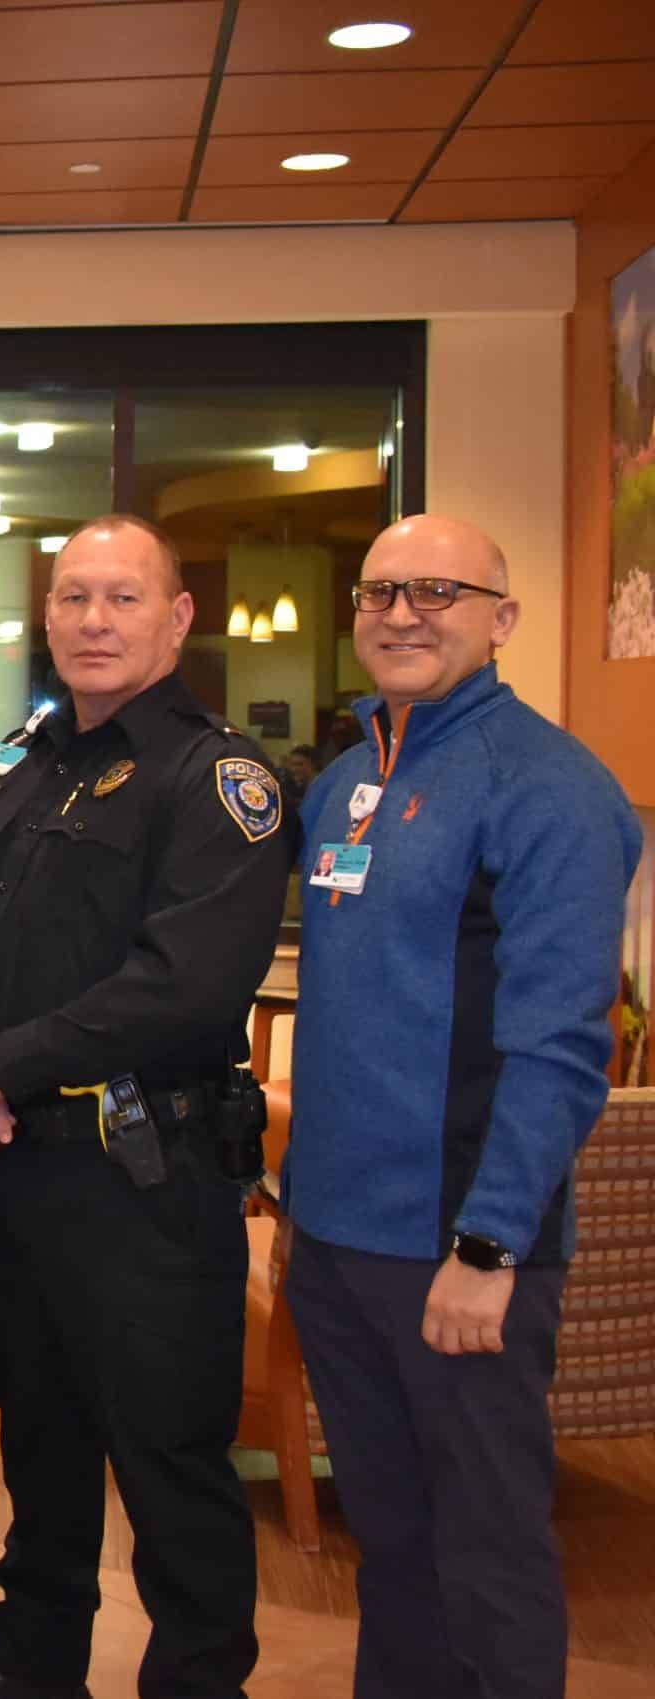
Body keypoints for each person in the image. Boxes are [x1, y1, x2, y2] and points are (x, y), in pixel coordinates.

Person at [0, 514, 291, 1699]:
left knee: (171, 1459)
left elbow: (180, 991)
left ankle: (195, 1680)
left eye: (122, 599)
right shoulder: (19, 764)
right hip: (23, 1164)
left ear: (176, 619)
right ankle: (30, 1667)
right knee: (40, 1439)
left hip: (150, 1174)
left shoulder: (216, 778)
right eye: (73, 598)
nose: (92, 621)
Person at [281, 515, 641, 1699]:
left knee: (483, 1551)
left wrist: (489, 1243)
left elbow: (558, 1048)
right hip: (334, 1243)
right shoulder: (340, 784)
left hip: (459, 1250)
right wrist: (296, 1220)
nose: (401, 613)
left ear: (503, 618)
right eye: (382, 590)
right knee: (391, 1541)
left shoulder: (551, 789)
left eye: (438, 590)